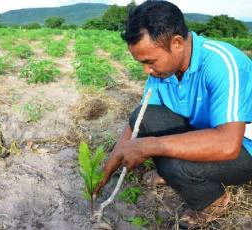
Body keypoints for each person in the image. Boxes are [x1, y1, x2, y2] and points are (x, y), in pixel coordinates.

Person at [93, 0, 252, 228]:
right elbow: (140, 120)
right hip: (206, 133)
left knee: (173, 165)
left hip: (244, 146)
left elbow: (228, 144)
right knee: (145, 117)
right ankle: (175, 173)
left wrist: (150, 146)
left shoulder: (223, 63)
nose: (146, 70)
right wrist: (109, 165)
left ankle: (213, 201)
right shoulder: (163, 72)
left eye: (150, 61)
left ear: (176, 43)